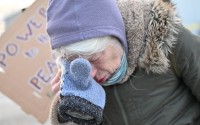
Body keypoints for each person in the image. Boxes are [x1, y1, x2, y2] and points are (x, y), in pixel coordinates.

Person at [46, 0, 200, 124]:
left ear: (116, 36)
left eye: (95, 59)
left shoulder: (166, 39)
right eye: (76, 63)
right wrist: (70, 108)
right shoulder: (78, 75)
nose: (90, 73)